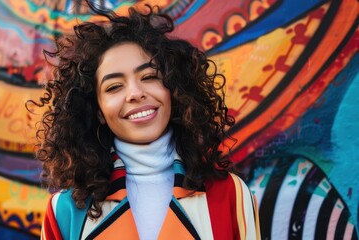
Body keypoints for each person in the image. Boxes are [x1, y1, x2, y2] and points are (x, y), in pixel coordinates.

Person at [31, 2, 260, 240]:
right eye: (114, 86)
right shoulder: (66, 211)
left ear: (173, 88)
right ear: (98, 110)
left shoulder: (230, 194)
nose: (135, 93)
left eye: (149, 76)